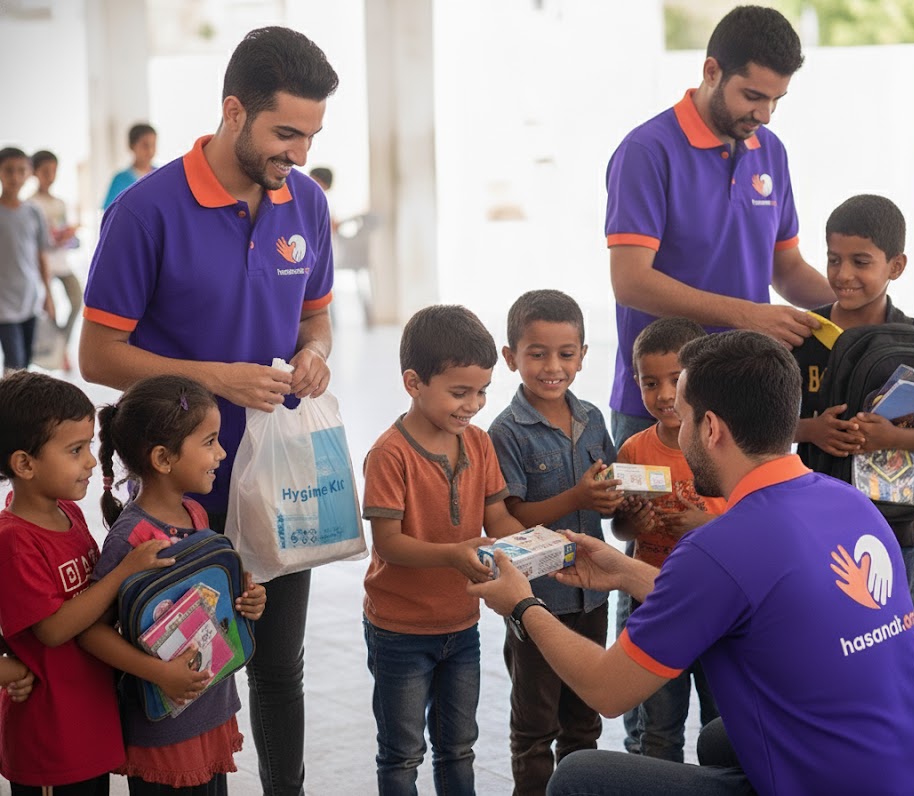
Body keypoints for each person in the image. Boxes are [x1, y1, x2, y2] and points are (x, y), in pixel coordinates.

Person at [470, 331, 914, 795]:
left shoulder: (721, 546)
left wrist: (523, 605)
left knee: (579, 776)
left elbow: (606, 690)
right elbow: (747, 596)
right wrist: (623, 571)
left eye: (685, 418)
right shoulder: (852, 503)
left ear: (711, 429)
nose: (679, 430)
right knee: (718, 739)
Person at [78, 26, 339, 794]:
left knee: (278, 667)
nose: (299, 153)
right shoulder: (145, 211)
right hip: (177, 491)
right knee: (184, 673)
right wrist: (215, 378)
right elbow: (98, 355)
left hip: (279, 482)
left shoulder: (306, 202)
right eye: (285, 133)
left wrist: (315, 352)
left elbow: (316, 318)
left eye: (311, 136)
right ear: (233, 111)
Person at [605, 4, 834, 449]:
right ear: (712, 71)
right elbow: (630, 281)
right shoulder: (646, 152)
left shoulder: (771, 151)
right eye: (753, 96)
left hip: (748, 399)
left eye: (776, 100)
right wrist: (747, 316)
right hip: (662, 402)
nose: (765, 114)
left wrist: (866, 311)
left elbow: (787, 270)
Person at [361, 304, 525, 795]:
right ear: (413, 383)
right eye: (459, 392)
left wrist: (536, 546)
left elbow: (498, 519)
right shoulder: (389, 454)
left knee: (459, 748)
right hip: (400, 631)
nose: (473, 404)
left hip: (461, 625)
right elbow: (389, 544)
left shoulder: (479, 444)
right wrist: (453, 554)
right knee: (402, 754)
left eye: (482, 391)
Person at [79, 375, 266, 794]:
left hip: (210, 710)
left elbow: (211, 601)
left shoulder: (195, 514)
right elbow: (90, 632)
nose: (222, 453)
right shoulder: (131, 538)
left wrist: (248, 601)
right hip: (164, 730)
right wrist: (159, 673)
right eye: (210, 441)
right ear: (163, 458)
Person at [0, 370, 172, 794]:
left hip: (89, 720)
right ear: (25, 464)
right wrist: (125, 571)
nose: (92, 461)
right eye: (76, 450)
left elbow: (93, 607)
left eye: (90, 446)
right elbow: (53, 628)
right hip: (51, 735)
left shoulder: (69, 513)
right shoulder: (15, 539)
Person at [792, 194, 914, 604]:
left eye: (861, 262)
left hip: (893, 531)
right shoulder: (803, 334)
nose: (843, 274)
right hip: (812, 524)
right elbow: (761, 428)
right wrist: (811, 430)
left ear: (896, 266)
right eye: (833, 259)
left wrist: (892, 437)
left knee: (890, 635)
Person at [487, 289, 621, 795]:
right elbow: (515, 517)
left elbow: (606, 489)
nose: (553, 367)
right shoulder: (507, 431)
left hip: (592, 597)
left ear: (582, 356)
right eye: (537, 354)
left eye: (566, 354)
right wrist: (577, 495)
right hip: (536, 600)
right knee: (535, 727)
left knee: (584, 721)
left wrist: (613, 502)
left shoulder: (593, 417)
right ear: (511, 357)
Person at [611, 317, 727, 763]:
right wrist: (634, 523)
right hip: (654, 601)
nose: (663, 395)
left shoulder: (723, 445)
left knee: (722, 725)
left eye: (676, 380)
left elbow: (754, 522)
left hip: (717, 603)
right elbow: (621, 530)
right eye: (649, 382)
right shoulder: (633, 450)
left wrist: (704, 523)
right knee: (658, 730)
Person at [0, 147, 54, 373]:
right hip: (4, 305)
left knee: (26, 362)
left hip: (30, 300)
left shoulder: (34, 212)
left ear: (29, 173)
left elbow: (41, 256)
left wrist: (48, 295)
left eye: (21, 171)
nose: (15, 177)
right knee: (14, 362)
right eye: (8, 170)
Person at [30, 149, 81, 368]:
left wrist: (69, 236)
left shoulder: (60, 203)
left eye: (53, 170)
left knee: (77, 299)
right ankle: (55, 352)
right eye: (45, 171)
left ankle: (62, 347)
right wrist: (54, 239)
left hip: (62, 263)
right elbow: (34, 242)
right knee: (49, 309)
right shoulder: (30, 204)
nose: (50, 175)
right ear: (35, 172)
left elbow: (69, 239)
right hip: (41, 266)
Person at [101, 123, 158, 210]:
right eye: (145, 145)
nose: (150, 151)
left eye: (153, 145)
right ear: (132, 146)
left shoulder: (160, 175)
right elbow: (110, 211)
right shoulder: (120, 180)